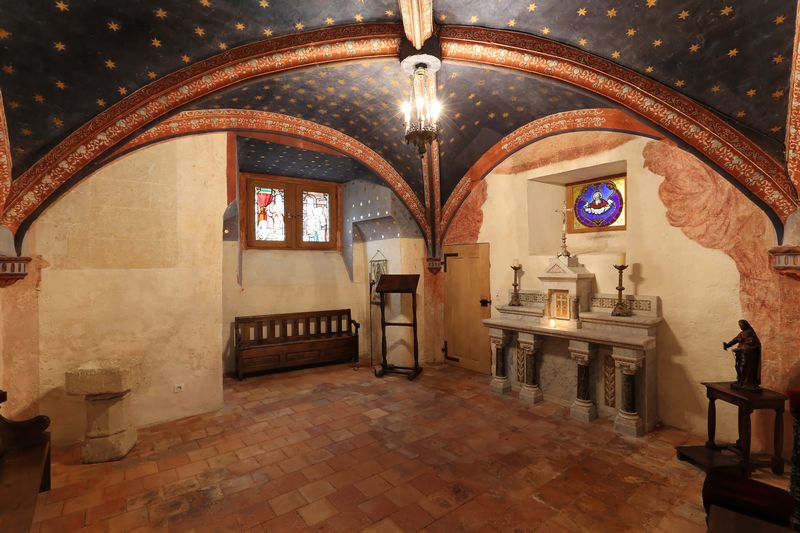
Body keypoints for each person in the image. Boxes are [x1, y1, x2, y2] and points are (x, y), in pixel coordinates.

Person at [723, 319, 761, 391]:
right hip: (740, 353)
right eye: (739, 325)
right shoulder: (741, 333)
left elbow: (750, 343)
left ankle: (746, 382)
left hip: (748, 354)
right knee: (737, 366)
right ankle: (740, 380)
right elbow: (735, 340)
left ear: (745, 325)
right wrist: (727, 345)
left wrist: (740, 348)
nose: (740, 326)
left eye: (741, 325)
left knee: (744, 367)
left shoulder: (750, 333)